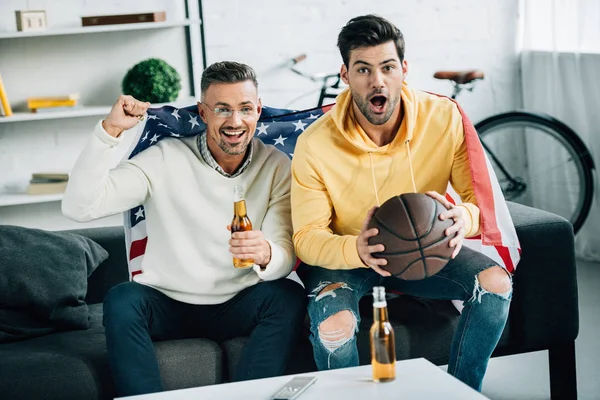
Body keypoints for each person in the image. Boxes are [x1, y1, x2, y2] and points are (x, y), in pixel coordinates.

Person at [290, 14, 513, 392]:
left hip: (423, 249)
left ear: (404, 70)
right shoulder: (314, 143)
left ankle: (462, 391)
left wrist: (464, 217)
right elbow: (306, 238)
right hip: (349, 255)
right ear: (345, 74)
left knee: (495, 284)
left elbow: (478, 201)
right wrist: (355, 248)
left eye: (387, 67)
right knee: (333, 327)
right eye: (363, 69)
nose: (377, 81)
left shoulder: (444, 117)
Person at [62, 61, 305, 397]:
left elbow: (283, 251)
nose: (235, 122)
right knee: (122, 299)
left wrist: (266, 253)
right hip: (168, 303)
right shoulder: (164, 158)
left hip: (239, 302)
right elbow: (79, 207)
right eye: (222, 109)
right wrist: (110, 132)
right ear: (203, 113)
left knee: (287, 296)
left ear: (258, 110)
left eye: (245, 109)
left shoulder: (277, 165)